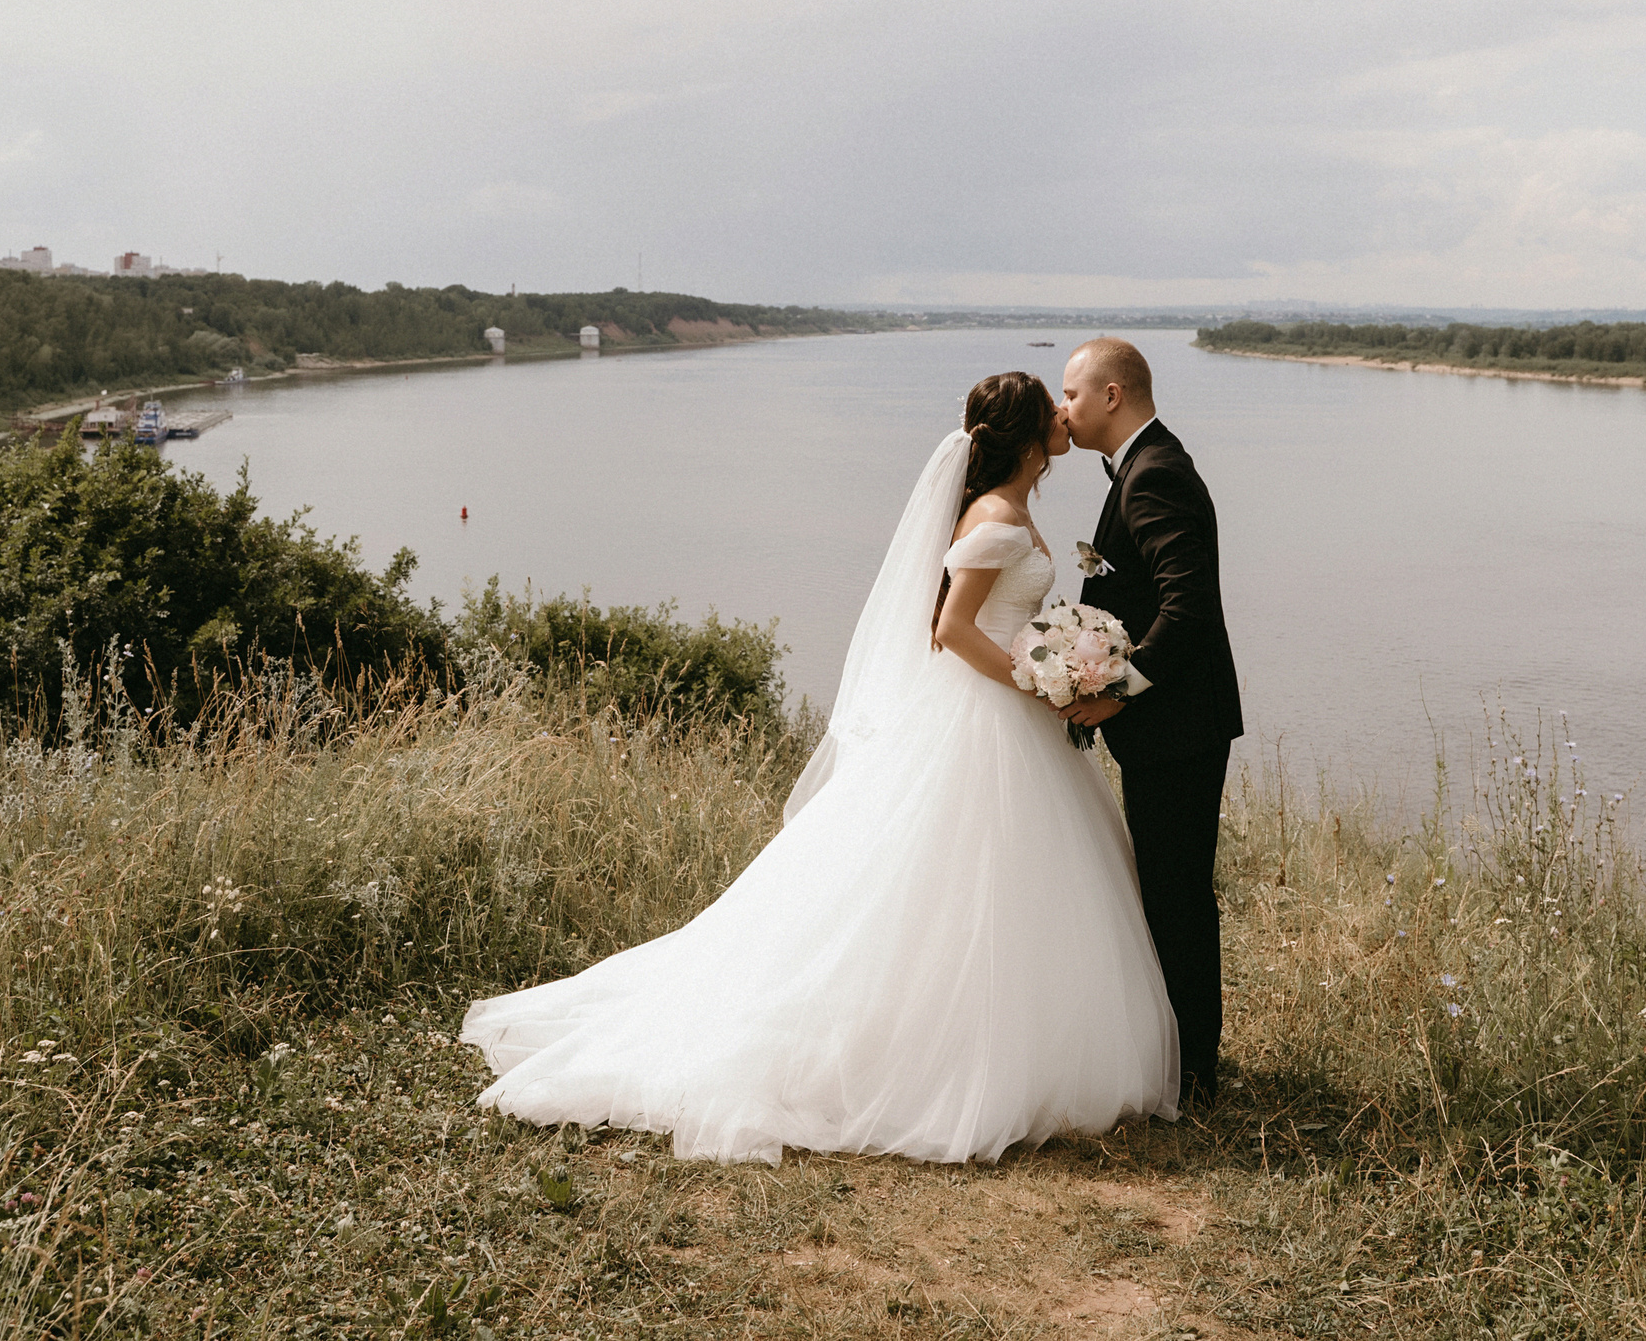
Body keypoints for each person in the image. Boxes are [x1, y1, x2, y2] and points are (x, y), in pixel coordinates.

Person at [458, 371, 1179, 1163]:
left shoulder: (1017, 508)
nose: (1060, 415)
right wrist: (1034, 678)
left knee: (1009, 881)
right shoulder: (999, 517)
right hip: (987, 712)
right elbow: (950, 627)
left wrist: (1059, 660)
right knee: (954, 879)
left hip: (1010, 716)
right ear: (1022, 430)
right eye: (1050, 405)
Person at [1057, 337, 1243, 1112]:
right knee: (1169, 891)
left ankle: (1194, 1075)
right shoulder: (1140, 466)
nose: (1061, 410)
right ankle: (1185, 1060)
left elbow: (1187, 609)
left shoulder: (1154, 472)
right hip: (1174, 727)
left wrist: (1117, 693)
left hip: (1177, 728)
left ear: (1109, 395)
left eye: (1070, 395)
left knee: (1177, 897)